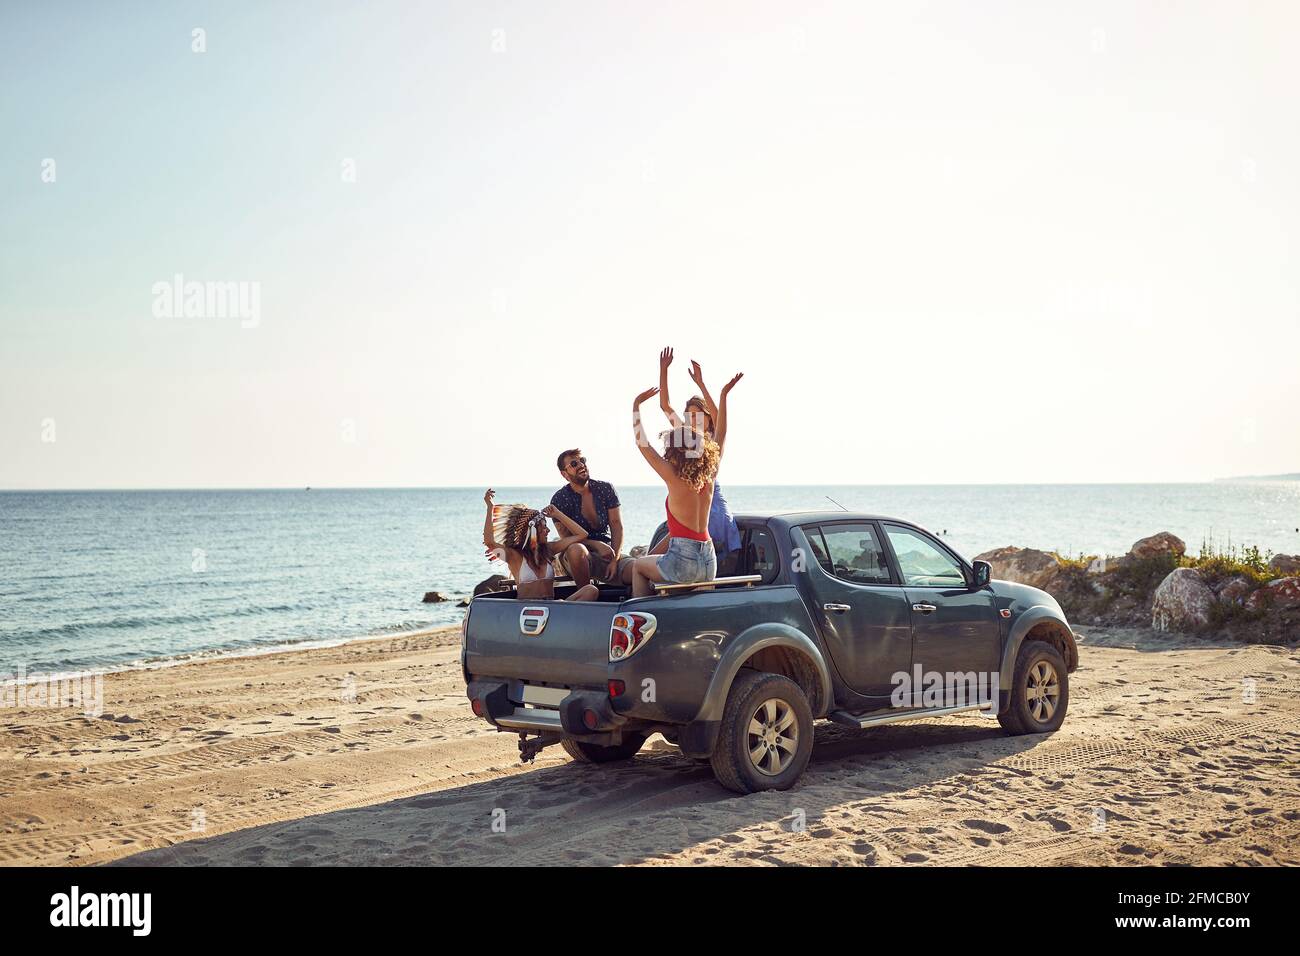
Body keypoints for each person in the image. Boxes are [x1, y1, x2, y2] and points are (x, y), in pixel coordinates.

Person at [627, 379, 735, 597]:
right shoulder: (710, 474)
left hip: (683, 560)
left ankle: (639, 615)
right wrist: (723, 396)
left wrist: (636, 406)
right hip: (709, 562)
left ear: (675, 450)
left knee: (639, 566)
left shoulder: (673, 477)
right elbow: (721, 435)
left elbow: (642, 443)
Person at [652, 347, 743, 575]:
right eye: (688, 415)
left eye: (697, 415)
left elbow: (718, 416)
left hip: (711, 505)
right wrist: (663, 369)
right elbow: (665, 405)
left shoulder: (711, 442)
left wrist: (702, 384)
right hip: (689, 504)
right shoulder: (684, 437)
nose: (692, 419)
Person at [481, 489, 599, 601]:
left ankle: (564, 609)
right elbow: (489, 542)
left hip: (553, 608)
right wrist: (490, 508)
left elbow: (582, 534)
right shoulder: (514, 556)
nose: (547, 530)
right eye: (543, 526)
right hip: (528, 610)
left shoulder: (548, 549)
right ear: (532, 530)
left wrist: (557, 514)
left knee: (591, 590)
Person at [550, 449, 633, 587]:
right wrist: (595, 544)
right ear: (564, 474)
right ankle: (586, 594)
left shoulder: (605, 489)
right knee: (577, 549)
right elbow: (566, 540)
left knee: (637, 569)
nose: (581, 465)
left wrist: (615, 559)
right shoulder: (559, 499)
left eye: (583, 461)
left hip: (607, 553)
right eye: (574, 464)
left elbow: (616, 525)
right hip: (574, 556)